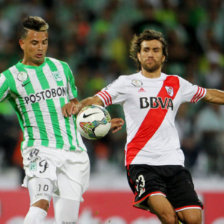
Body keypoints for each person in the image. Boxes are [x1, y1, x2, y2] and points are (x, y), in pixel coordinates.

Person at [62, 29, 224, 224]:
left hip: (173, 161)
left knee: (194, 219)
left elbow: (210, 94)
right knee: (168, 217)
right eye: (146, 50)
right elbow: (96, 99)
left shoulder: (176, 83)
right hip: (141, 162)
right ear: (138, 55)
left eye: (156, 50)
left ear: (163, 56)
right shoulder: (126, 83)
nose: (150, 54)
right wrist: (79, 106)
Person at [0, 16, 123, 224]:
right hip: (40, 149)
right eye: (34, 43)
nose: (40, 48)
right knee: (40, 203)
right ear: (22, 44)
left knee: (67, 221)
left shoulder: (62, 68)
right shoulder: (10, 78)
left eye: (44, 42)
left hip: (74, 152)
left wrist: (101, 124)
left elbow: (75, 106)